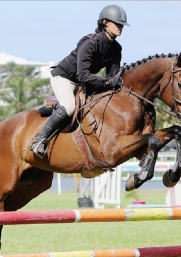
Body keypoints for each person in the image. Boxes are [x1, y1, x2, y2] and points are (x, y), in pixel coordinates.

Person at [30, 4, 129, 159]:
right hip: (64, 78)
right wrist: (108, 83)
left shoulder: (116, 48)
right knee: (69, 107)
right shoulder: (90, 42)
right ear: (105, 22)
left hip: (83, 83)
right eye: (117, 23)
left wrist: (116, 81)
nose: (121, 27)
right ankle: (40, 139)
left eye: (122, 24)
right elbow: (83, 75)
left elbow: (111, 76)